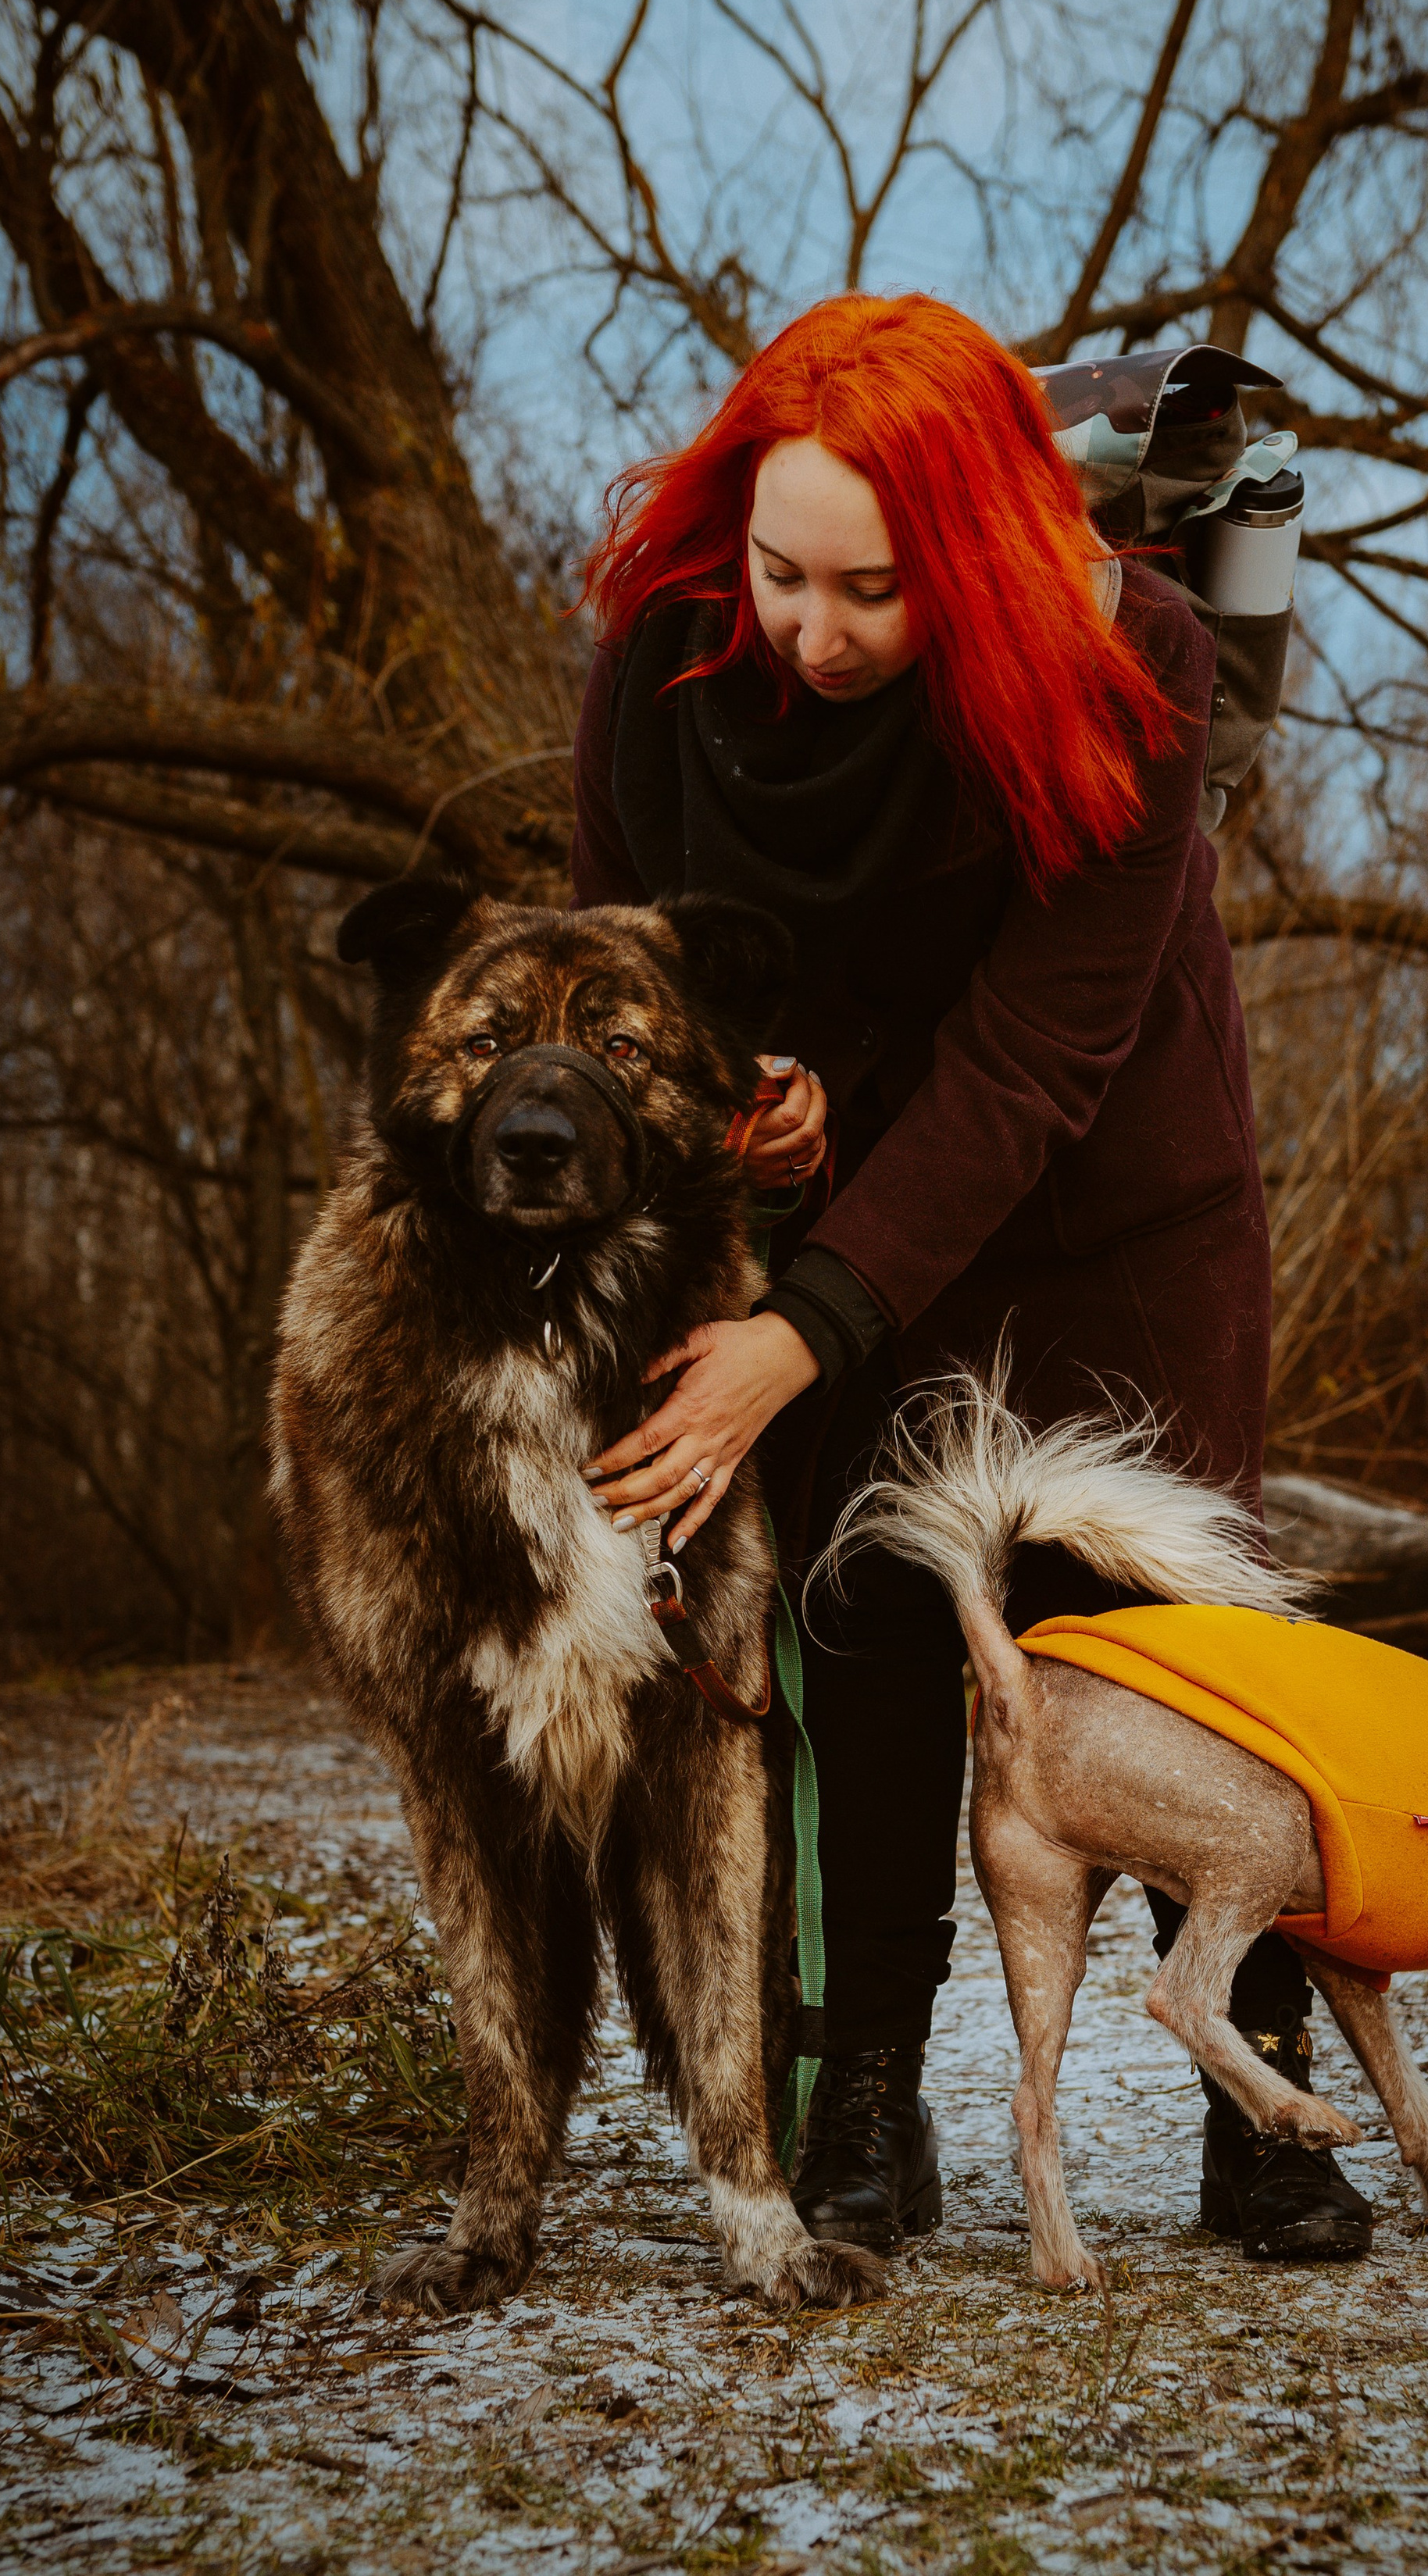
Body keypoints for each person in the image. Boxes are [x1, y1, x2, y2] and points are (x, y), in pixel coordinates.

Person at [569, 291, 1372, 2264]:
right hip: (847, 1211)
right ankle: (866, 2095)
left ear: (986, 561)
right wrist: (735, 1108)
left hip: (1116, 1192)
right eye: (778, 573)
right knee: (863, 1623)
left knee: (1173, 1635)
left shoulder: (1136, 664)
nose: (810, 632)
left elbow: (1030, 1056)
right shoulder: (662, 668)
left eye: (869, 591)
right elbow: (640, 968)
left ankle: (1253, 2096)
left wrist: (792, 1327)